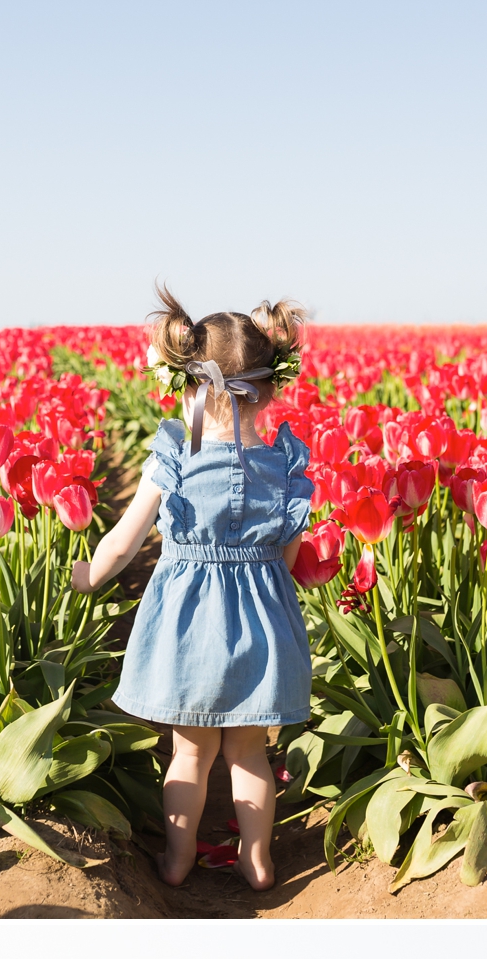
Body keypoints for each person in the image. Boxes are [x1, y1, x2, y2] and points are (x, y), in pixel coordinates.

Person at [73, 291, 315, 889]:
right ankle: (258, 863)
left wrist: (86, 578)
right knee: (250, 754)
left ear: (189, 386)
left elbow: (123, 544)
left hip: (189, 633)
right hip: (263, 631)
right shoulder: (288, 468)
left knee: (189, 755)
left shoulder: (174, 461)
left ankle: (178, 861)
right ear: (271, 389)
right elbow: (286, 559)